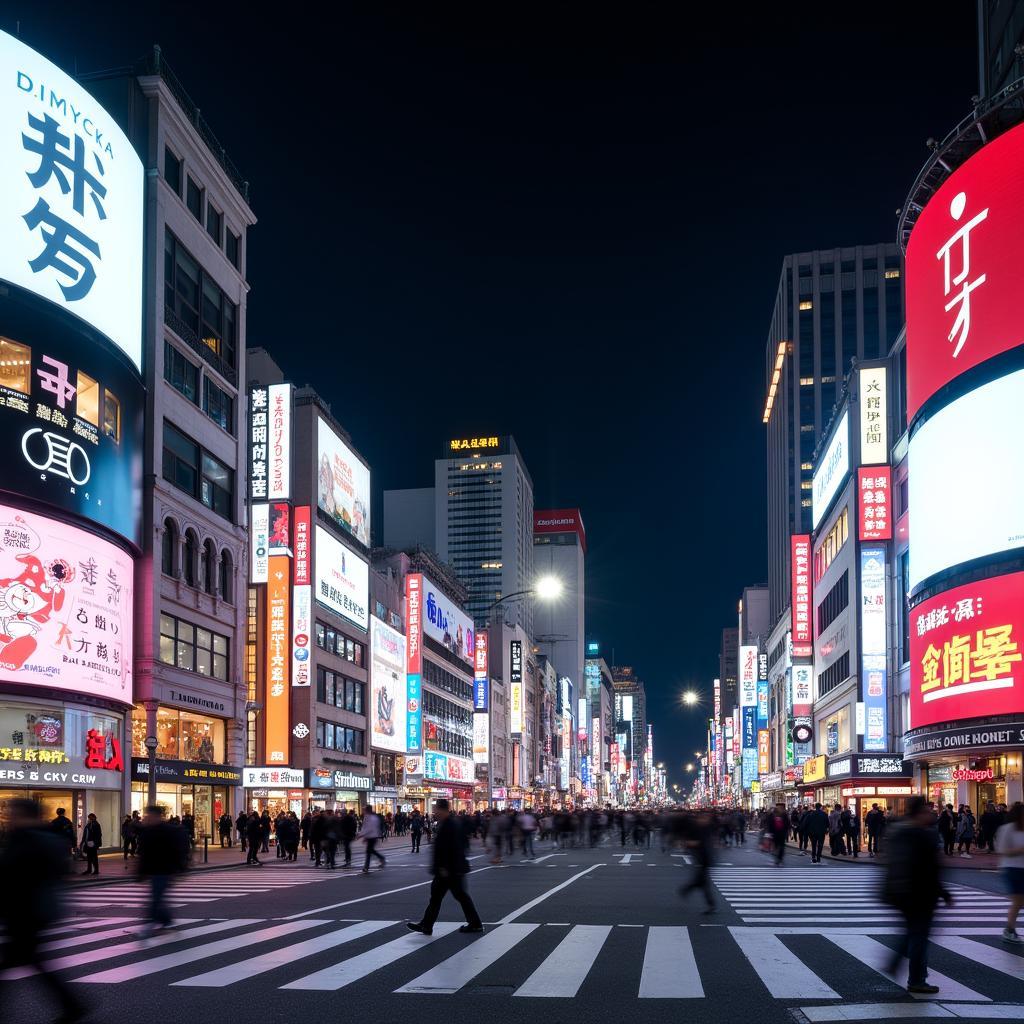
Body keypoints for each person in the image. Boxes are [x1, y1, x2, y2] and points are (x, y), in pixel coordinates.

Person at [0, 798, 86, 1023]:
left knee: (20, 960)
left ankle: (73, 1005)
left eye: (13, 813)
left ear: (26, 815)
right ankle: (73, 1005)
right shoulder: (43, 837)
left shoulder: (30, 840)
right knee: (31, 960)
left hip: (28, 910)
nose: (10, 817)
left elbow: (16, 875)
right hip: (34, 910)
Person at [882, 795, 952, 994]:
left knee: (912, 932)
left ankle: (895, 964)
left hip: (901, 891)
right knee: (919, 936)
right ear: (920, 812)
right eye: (927, 810)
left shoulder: (898, 831)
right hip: (920, 893)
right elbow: (930, 868)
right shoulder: (922, 834)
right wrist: (943, 891)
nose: (930, 813)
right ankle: (917, 979)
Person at [407, 799, 483, 936]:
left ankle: (475, 923)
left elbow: (452, 847)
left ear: (443, 810)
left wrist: (444, 867)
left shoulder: (451, 824)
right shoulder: (449, 823)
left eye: (436, 809)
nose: (434, 812)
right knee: (440, 896)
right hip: (450, 868)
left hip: (450, 869)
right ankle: (427, 925)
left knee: (457, 896)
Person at [136, 804, 189, 935]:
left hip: (165, 870)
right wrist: (140, 872)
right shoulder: (148, 831)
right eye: (147, 815)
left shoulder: (168, 831)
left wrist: (180, 868)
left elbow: (177, 851)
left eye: (150, 815)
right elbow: (143, 854)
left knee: (156, 897)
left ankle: (149, 922)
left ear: (158, 816)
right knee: (158, 896)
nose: (148, 818)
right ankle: (166, 920)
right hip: (155, 869)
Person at [994, 801, 1024, 943]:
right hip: (1012, 868)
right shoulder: (1007, 829)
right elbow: (1002, 850)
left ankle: (1009, 929)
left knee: (1019, 901)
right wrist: (1019, 850)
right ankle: (1009, 929)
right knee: (1018, 900)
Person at [678, 811, 716, 913]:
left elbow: (699, 842)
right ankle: (710, 904)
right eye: (703, 818)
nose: (704, 820)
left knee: (701, 881)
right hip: (703, 858)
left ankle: (686, 889)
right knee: (703, 882)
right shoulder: (702, 828)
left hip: (704, 858)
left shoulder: (704, 828)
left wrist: (688, 843)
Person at [361, 806, 387, 872]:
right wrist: (364, 836)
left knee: (369, 852)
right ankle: (380, 858)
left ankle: (366, 867)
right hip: (373, 836)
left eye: (364, 810)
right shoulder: (373, 817)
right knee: (370, 851)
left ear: (367, 810)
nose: (363, 811)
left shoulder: (370, 818)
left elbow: (368, 828)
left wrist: (361, 835)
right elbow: (366, 827)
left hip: (372, 836)